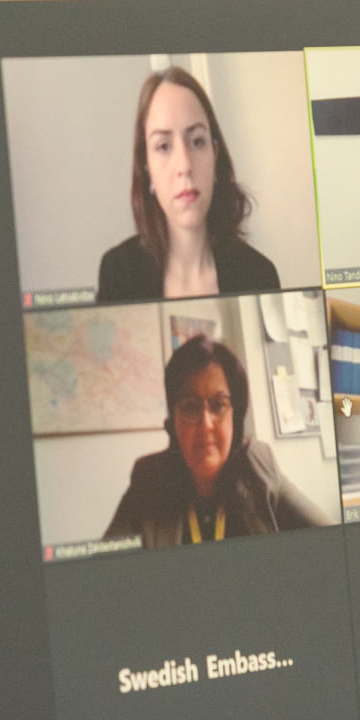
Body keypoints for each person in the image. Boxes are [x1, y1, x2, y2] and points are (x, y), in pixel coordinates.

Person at [104, 336, 331, 546]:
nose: (206, 424)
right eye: (190, 407)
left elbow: (332, 540)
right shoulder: (149, 479)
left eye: (218, 405)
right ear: (174, 420)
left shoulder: (259, 468)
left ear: (235, 416)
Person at [97, 66, 280, 302]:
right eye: (164, 146)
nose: (184, 165)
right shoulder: (119, 275)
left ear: (215, 155)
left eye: (197, 141)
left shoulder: (259, 275)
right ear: (147, 168)